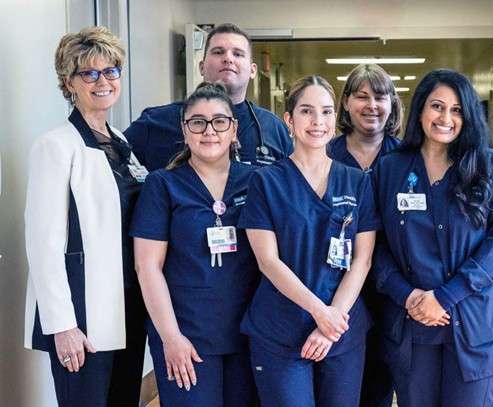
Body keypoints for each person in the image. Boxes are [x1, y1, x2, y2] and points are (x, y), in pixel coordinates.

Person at [371, 69, 493, 407]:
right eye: (437, 106)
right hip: (413, 324)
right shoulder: (390, 169)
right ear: (420, 109)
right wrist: (408, 296)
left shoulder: (490, 166)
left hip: (476, 324)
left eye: (456, 110)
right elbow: (374, 244)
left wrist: (446, 296)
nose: (446, 118)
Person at [24, 26, 147, 406]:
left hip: (127, 306)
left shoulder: (122, 144)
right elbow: (43, 245)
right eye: (89, 73)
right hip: (82, 315)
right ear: (68, 83)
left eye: (111, 71)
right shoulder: (56, 146)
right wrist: (62, 326)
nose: (102, 81)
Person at [239, 76, 378, 407]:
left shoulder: (356, 181)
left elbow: (362, 260)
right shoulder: (266, 181)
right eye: (306, 111)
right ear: (289, 119)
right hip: (281, 328)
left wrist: (332, 321)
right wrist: (319, 312)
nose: (318, 122)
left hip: (342, 328)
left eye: (327, 112)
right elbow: (268, 261)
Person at [130, 82, 259, 406]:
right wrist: (170, 337)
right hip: (186, 335)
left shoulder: (257, 181)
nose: (209, 130)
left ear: (234, 130)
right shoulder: (164, 185)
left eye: (219, 121)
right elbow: (147, 267)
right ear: (185, 131)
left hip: (249, 335)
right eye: (197, 122)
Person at [328, 63, 403, 407]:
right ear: (345, 103)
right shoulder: (326, 154)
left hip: (390, 287)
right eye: (362, 96)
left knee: (379, 381)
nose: (372, 104)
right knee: (339, 383)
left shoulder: (405, 158)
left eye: (380, 96)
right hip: (333, 286)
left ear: (392, 104)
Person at [125, 23, 292, 170]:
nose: (228, 58)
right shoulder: (155, 123)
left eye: (238, 54)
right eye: (218, 52)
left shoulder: (273, 128)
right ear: (202, 67)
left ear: (253, 70)